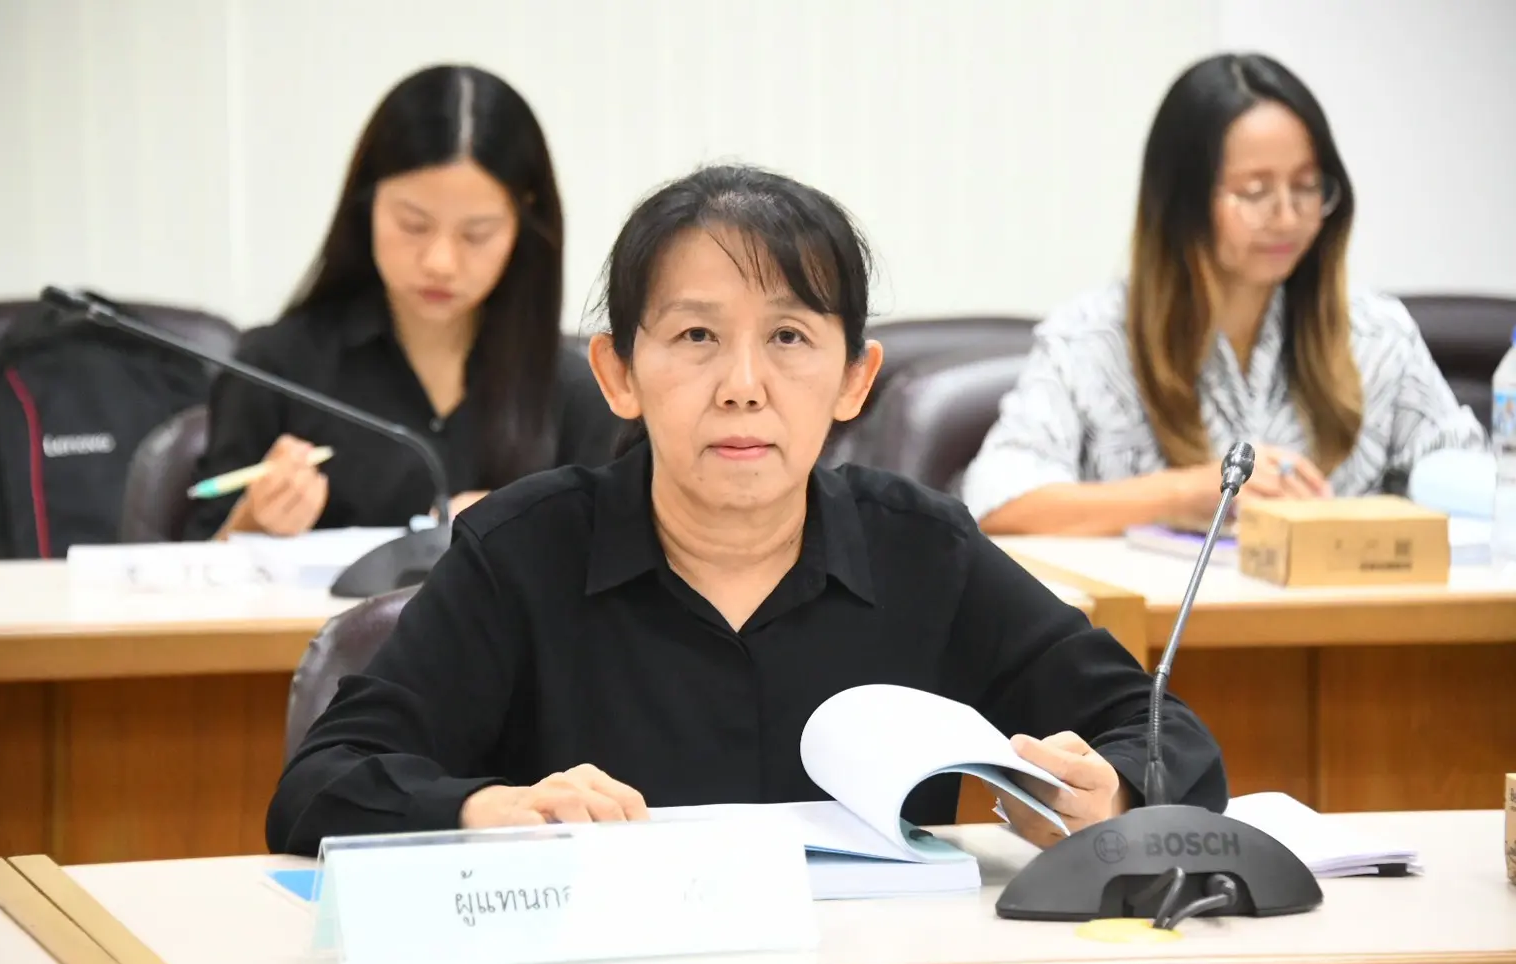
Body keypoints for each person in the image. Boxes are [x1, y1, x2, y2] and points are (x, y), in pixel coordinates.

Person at [266, 165, 1227, 857]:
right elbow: (319, 786)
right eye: (695, 335)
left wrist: (1112, 789)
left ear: (855, 378)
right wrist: (489, 810)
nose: (741, 384)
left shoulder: (921, 551)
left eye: (788, 337)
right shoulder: (521, 553)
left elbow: (1163, 733)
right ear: (616, 372)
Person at [963, 53, 1487, 536]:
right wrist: (1180, 494)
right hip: (1160, 611)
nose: (1288, 216)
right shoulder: (1091, 340)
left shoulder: (1375, 335)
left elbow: (1479, 486)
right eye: (1255, 191)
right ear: (1181, 200)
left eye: (1307, 186)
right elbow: (996, 502)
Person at [184, 65, 618, 541]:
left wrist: (529, 537)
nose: (440, 262)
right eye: (413, 224)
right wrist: (250, 523)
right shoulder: (275, 370)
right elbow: (186, 570)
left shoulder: (579, 395)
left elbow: (620, 569)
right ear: (367, 205)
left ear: (524, 224)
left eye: (476, 234)